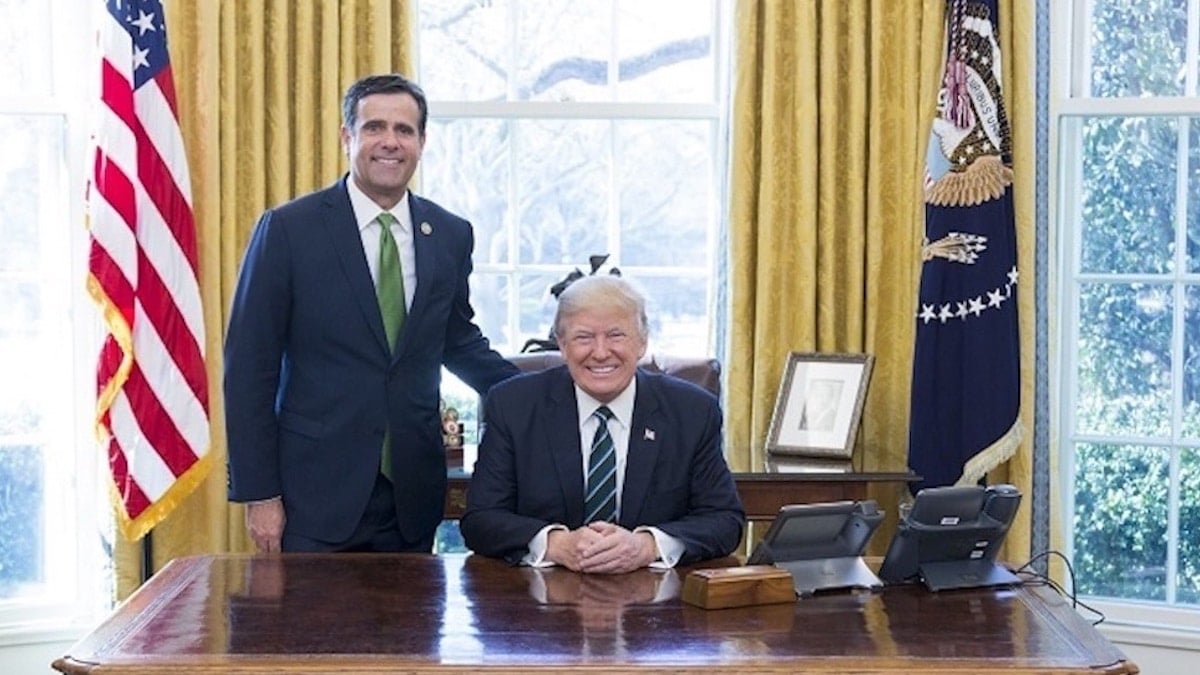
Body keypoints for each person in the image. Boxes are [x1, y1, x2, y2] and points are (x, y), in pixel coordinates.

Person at [224, 73, 519, 554]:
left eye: (404, 130)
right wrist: (260, 494)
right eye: (374, 127)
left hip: (412, 497)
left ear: (422, 141)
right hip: (313, 499)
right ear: (348, 137)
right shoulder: (289, 230)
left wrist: (540, 397)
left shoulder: (448, 233)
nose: (390, 142)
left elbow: (457, 340)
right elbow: (248, 369)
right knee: (313, 632)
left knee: (412, 632)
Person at [461, 275, 744, 573]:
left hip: (657, 604)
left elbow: (724, 520)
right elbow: (481, 519)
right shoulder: (514, 405)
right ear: (562, 344)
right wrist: (557, 544)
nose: (600, 352)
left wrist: (647, 546)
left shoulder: (692, 412)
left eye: (616, 335)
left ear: (642, 342)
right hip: (537, 599)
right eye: (584, 337)